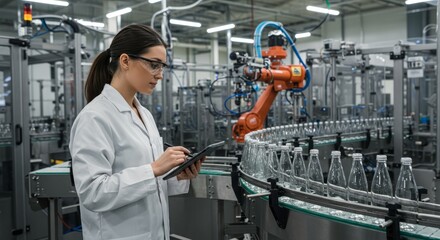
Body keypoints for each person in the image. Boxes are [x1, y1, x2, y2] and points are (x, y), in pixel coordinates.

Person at [69, 24, 202, 240]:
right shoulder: (94, 117)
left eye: (162, 67)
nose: (159, 75)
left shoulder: (145, 115)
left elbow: (149, 184)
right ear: (125, 61)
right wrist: (154, 169)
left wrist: (175, 175)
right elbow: (93, 193)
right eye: (153, 65)